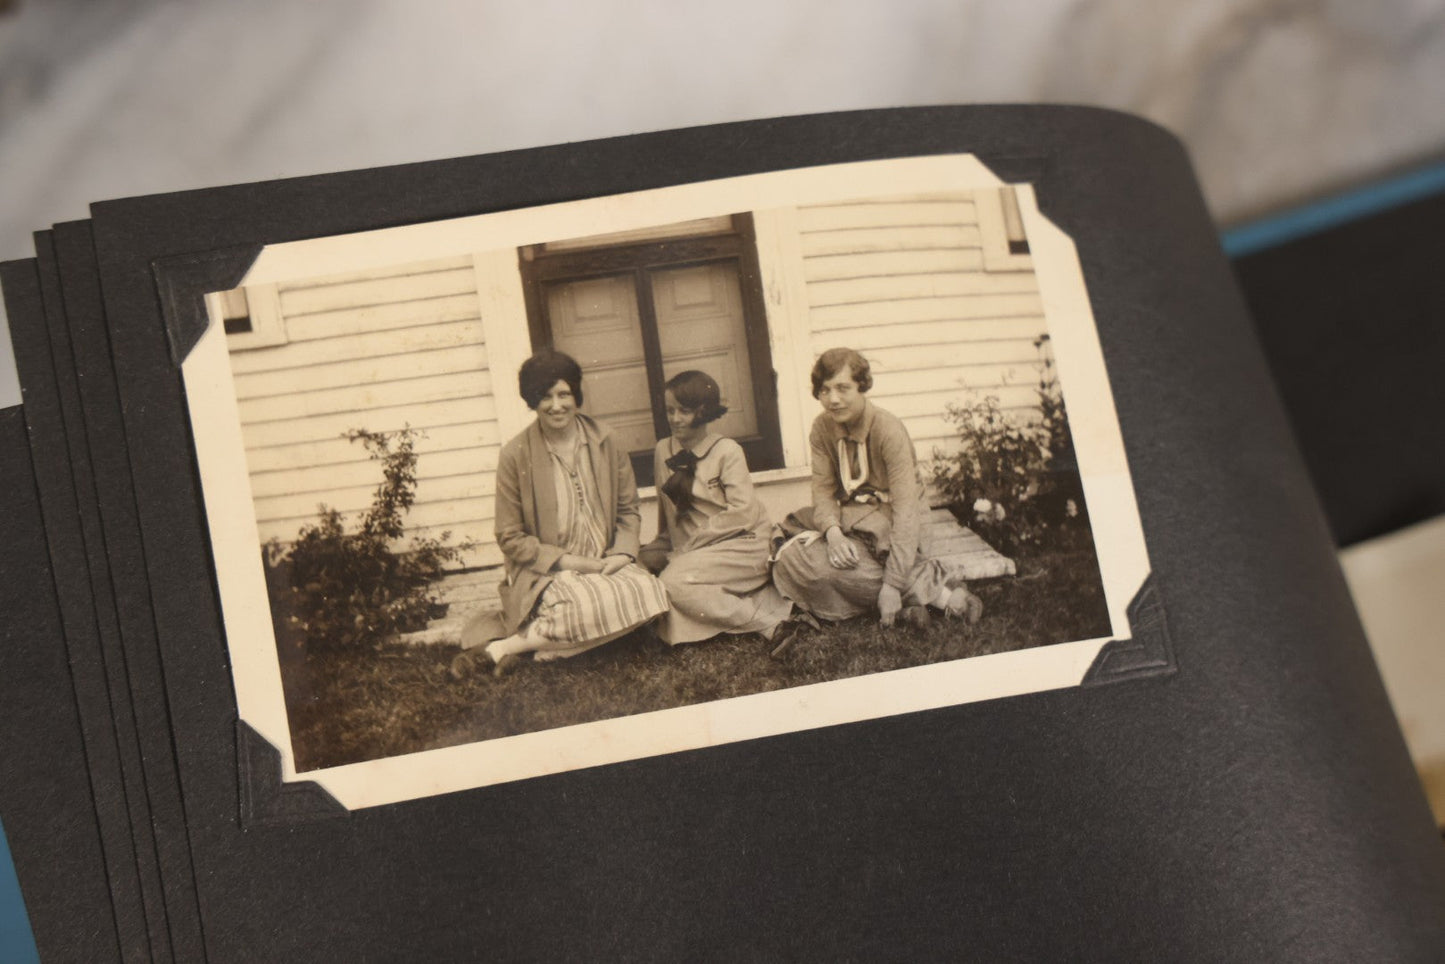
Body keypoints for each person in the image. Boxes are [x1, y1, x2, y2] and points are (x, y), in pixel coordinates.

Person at [451, 350, 668, 677]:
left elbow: (628, 511)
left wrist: (622, 554)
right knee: (578, 606)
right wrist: (570, 562)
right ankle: (537, 645)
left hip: (606, 559)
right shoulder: (516, 455)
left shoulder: (607, 441)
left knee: (653, 594)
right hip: (550, 569)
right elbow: (509, 537)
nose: (556, 405)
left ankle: (523, 650)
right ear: (531, 400)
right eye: (545, 397)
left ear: (576, 395)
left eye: (564, 394)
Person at [772, 347, 983, 628]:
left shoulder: (888, 430)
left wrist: (894, 584)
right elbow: (822, 490)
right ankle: (918, 602)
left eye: (843, 388)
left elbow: (907, 512)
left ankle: (940, 599)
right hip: (851, 523)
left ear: (862, 386)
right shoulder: (822, 428)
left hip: (897, 524)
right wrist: (833, 535)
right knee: (800, 563)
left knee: (854, 567)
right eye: (824, 390)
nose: (833, 399)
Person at [639, 370, 795, 646]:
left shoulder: (727, 451)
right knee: (636, 566)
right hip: (694, 548)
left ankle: (769, 623)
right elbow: (669, 514)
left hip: (741, 544)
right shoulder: (663, 450)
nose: (675, 419)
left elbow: (743, 513)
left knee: (672, 582)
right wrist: (658, 550)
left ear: (703, 412)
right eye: (670, 411)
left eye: (684, 411)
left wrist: (686, 551)